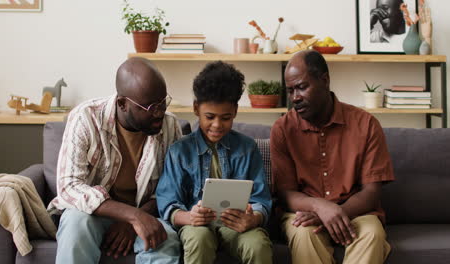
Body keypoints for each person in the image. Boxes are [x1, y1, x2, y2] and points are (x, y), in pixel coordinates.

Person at [48, 57, 182, 264]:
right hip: (92, 214)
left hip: (145, 214)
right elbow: (69, 186)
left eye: (163, 103)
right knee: (75, 224)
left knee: (167, 239)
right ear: (122, 103)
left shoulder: (170, 126)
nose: (160, 113)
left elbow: (171, 189)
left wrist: (135, 219)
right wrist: (131, 216)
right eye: (150, 107)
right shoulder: (86, 118)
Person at [271, 50, 394, 264]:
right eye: (290, 90)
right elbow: (285, 193)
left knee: (372, 235)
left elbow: (372, 191)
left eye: (302, 87)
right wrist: (320, 207)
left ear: (324, 80)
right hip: (304, 214)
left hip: (357, 212)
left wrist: (337, 212)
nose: (295, 98)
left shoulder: (365, 124)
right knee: (303, 234)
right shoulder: (283, 129)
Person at [156, 61, 273, 264]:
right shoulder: (179, 151)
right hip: (196, 226)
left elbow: (261, 200)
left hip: (236, 225)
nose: (217, 125)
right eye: (209, 117)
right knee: (198, 239)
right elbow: (167, 203)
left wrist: (253, 218)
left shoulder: (248, 148)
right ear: (195, 109)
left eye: (226, 118)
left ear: (235, 111)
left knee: (257, 244)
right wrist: (189, 217)